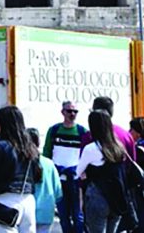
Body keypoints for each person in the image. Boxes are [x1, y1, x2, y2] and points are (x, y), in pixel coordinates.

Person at [0, 106, 42, 233]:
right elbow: (37, 176)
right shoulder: (31, 148)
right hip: (28, 200)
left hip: (4, 200)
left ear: (4, 123)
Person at [77, 110, 130, 233]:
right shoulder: (119, 146)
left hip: (98, 196)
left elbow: (78, 171)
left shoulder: (91, 148)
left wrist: (86, 173)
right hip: (117, 197)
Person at [42, 100, 86, 233]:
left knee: (78, 216)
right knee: (63, 215)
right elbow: (47, 154)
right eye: (69, 111)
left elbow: (86, 155)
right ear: (62, 112)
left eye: (75, 111)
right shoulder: (54, 130)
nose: (72, 114)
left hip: (75, 180)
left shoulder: (82, 131)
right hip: (58, 179)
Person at [26, 128, 62, 233]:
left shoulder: (23, 163)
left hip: (27, 213)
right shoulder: (49, 164)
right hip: (46, 212)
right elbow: (58, 192)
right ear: (38, 142)